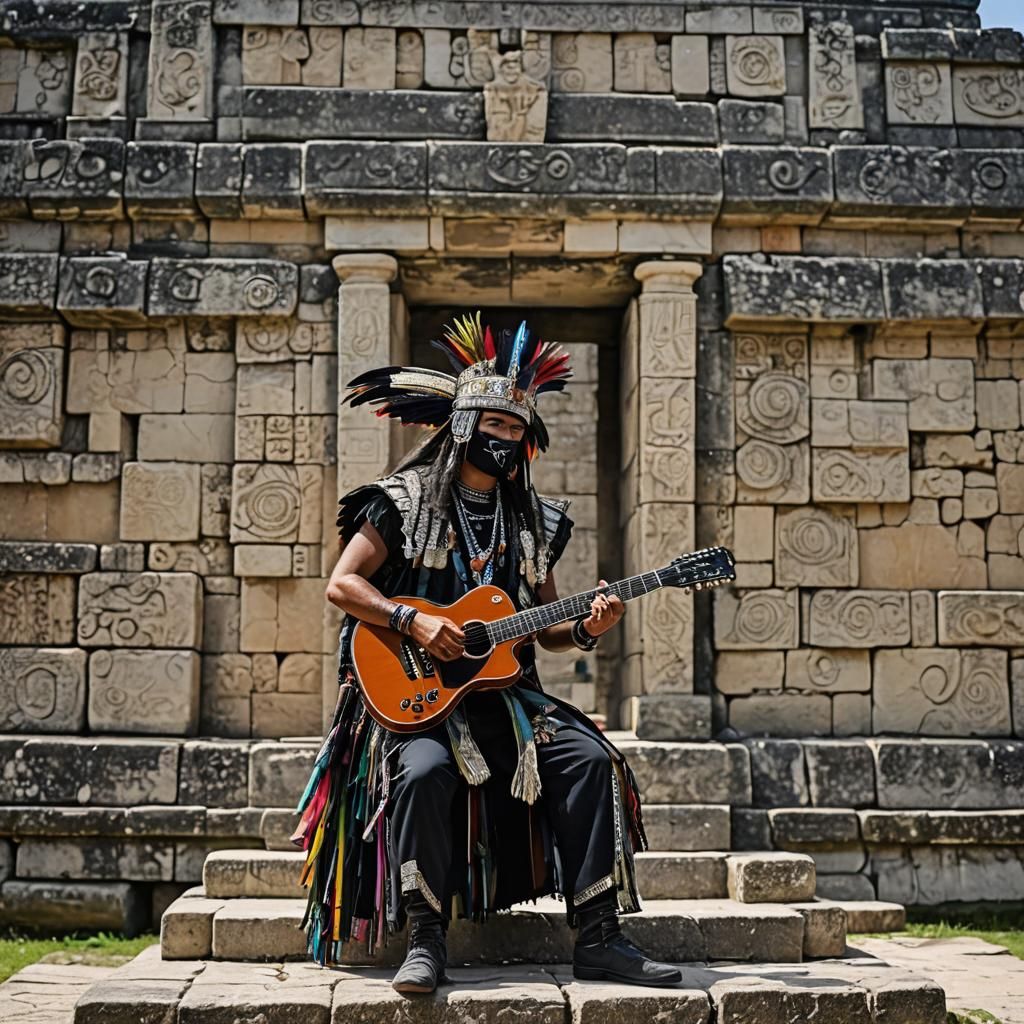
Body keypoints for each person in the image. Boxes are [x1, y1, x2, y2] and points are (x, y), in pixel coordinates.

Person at [291, 313, 681, 993]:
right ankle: (425, 940)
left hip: (505, 699)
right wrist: (412, 621)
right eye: (495, 426)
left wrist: (589, 628)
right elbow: (342, 584)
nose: (506, 439)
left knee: (590, 759)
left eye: (516, 430)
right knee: (423, 773)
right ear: (465, 427)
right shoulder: (401, 502)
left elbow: (542, 628)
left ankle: (599, 936)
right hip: (414, 700)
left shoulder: (534, 522)